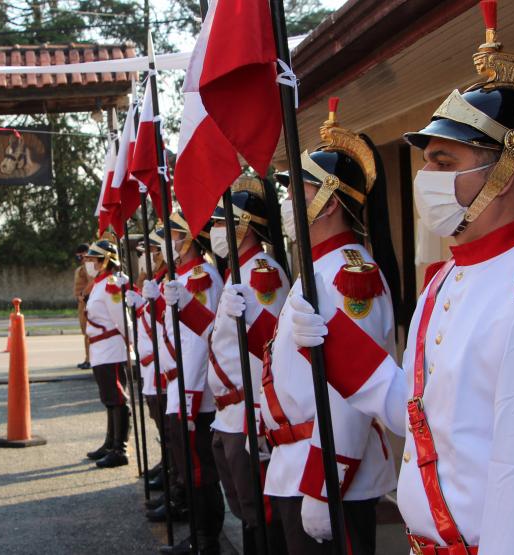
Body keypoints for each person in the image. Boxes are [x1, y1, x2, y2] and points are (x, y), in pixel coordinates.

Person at [288, 5, 514, 553]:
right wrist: (332, 338)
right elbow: (420, 412)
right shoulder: (448, 279)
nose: (426, 177)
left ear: (505, 171)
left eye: (443, 161)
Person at [265, 101, 400, 554]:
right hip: (298, 464)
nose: (288, 202)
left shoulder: (349, 274)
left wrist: (324, 487)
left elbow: (350, 392)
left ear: (330, 200)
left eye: (297, 191)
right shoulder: (318, 267)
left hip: (329, 474)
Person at [206, 177, 291, 554]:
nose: (214, 230)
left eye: (220, 222)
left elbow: (271, 349)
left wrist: (260, 415)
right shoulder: (236, 271)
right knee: (246, 511)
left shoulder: (261, 273)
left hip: (249, 414)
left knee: (262, 514)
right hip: (228, 413)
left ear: (243, 225)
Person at [157, 211, 225, 555]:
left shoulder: (202, 277)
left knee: (200, 468)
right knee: (187, 463)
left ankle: (206, 538)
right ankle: (198, 533)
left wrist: (190, 394)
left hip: (194, 390)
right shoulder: (182, 276)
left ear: (187, 239)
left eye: (172, 235)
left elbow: (202, 339)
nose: (166, 243)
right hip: (179, 384)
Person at [125, 228, 169, 492]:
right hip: (150, 363)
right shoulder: (154, 280)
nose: (144, 257)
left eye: (150, 251)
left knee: (167, 424)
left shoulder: (166, 280)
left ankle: (172, 470)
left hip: (162, 363)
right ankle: (167, 463)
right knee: (159, 419)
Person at [82, 237, 132, 468]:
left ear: (104, 261)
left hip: (111, 348)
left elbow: (122, 319)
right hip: (100, 349)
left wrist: (132, 343)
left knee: (118, 398)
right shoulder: (99, 284)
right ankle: (110, 443)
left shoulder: (111, 284)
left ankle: (120, 449)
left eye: (92, 259)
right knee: (109, 398)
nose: (88, 263)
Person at [73, 243, 93, 370]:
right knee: (86, 333)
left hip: (87, 303)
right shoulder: (81, 268)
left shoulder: (89, 268)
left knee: (89, 333)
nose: (80, 258)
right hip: (81, 304)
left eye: (82, 255)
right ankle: (87, 358)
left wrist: (84, 296)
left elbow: (92, 283)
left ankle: (90, 359)